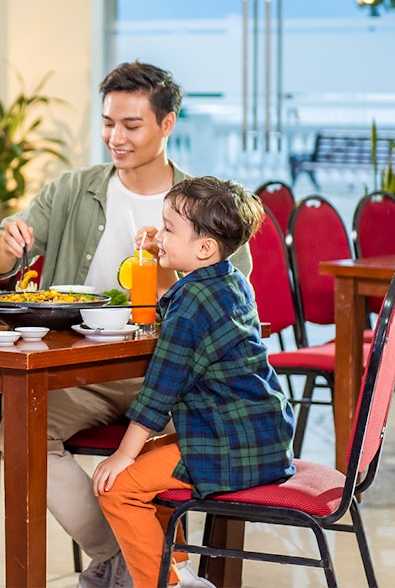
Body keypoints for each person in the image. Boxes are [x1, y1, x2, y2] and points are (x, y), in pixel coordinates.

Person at [0, 61, 253, 587]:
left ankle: (146, 564)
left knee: (180, 450)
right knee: (20, 436)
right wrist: (2, 247)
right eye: (107, 123)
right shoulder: (73, 190)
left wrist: (174, 272)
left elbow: (234, 293)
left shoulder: (202, 204)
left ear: (167, 124)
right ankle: (121, 554)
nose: (115, 138)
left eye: (131, 125)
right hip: (85, 372)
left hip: (172, 380)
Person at [91, 177, 295, 588]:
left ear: (203, 248)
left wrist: (121, 456)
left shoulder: (190, 304)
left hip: (230, 445)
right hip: (261, 436)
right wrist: (163, 249)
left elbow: (159, 392)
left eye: (168, 229)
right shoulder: (231, 281)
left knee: (119, 488)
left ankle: (165, 584)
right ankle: (180, 573)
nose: (159, 235)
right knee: (146, 471)